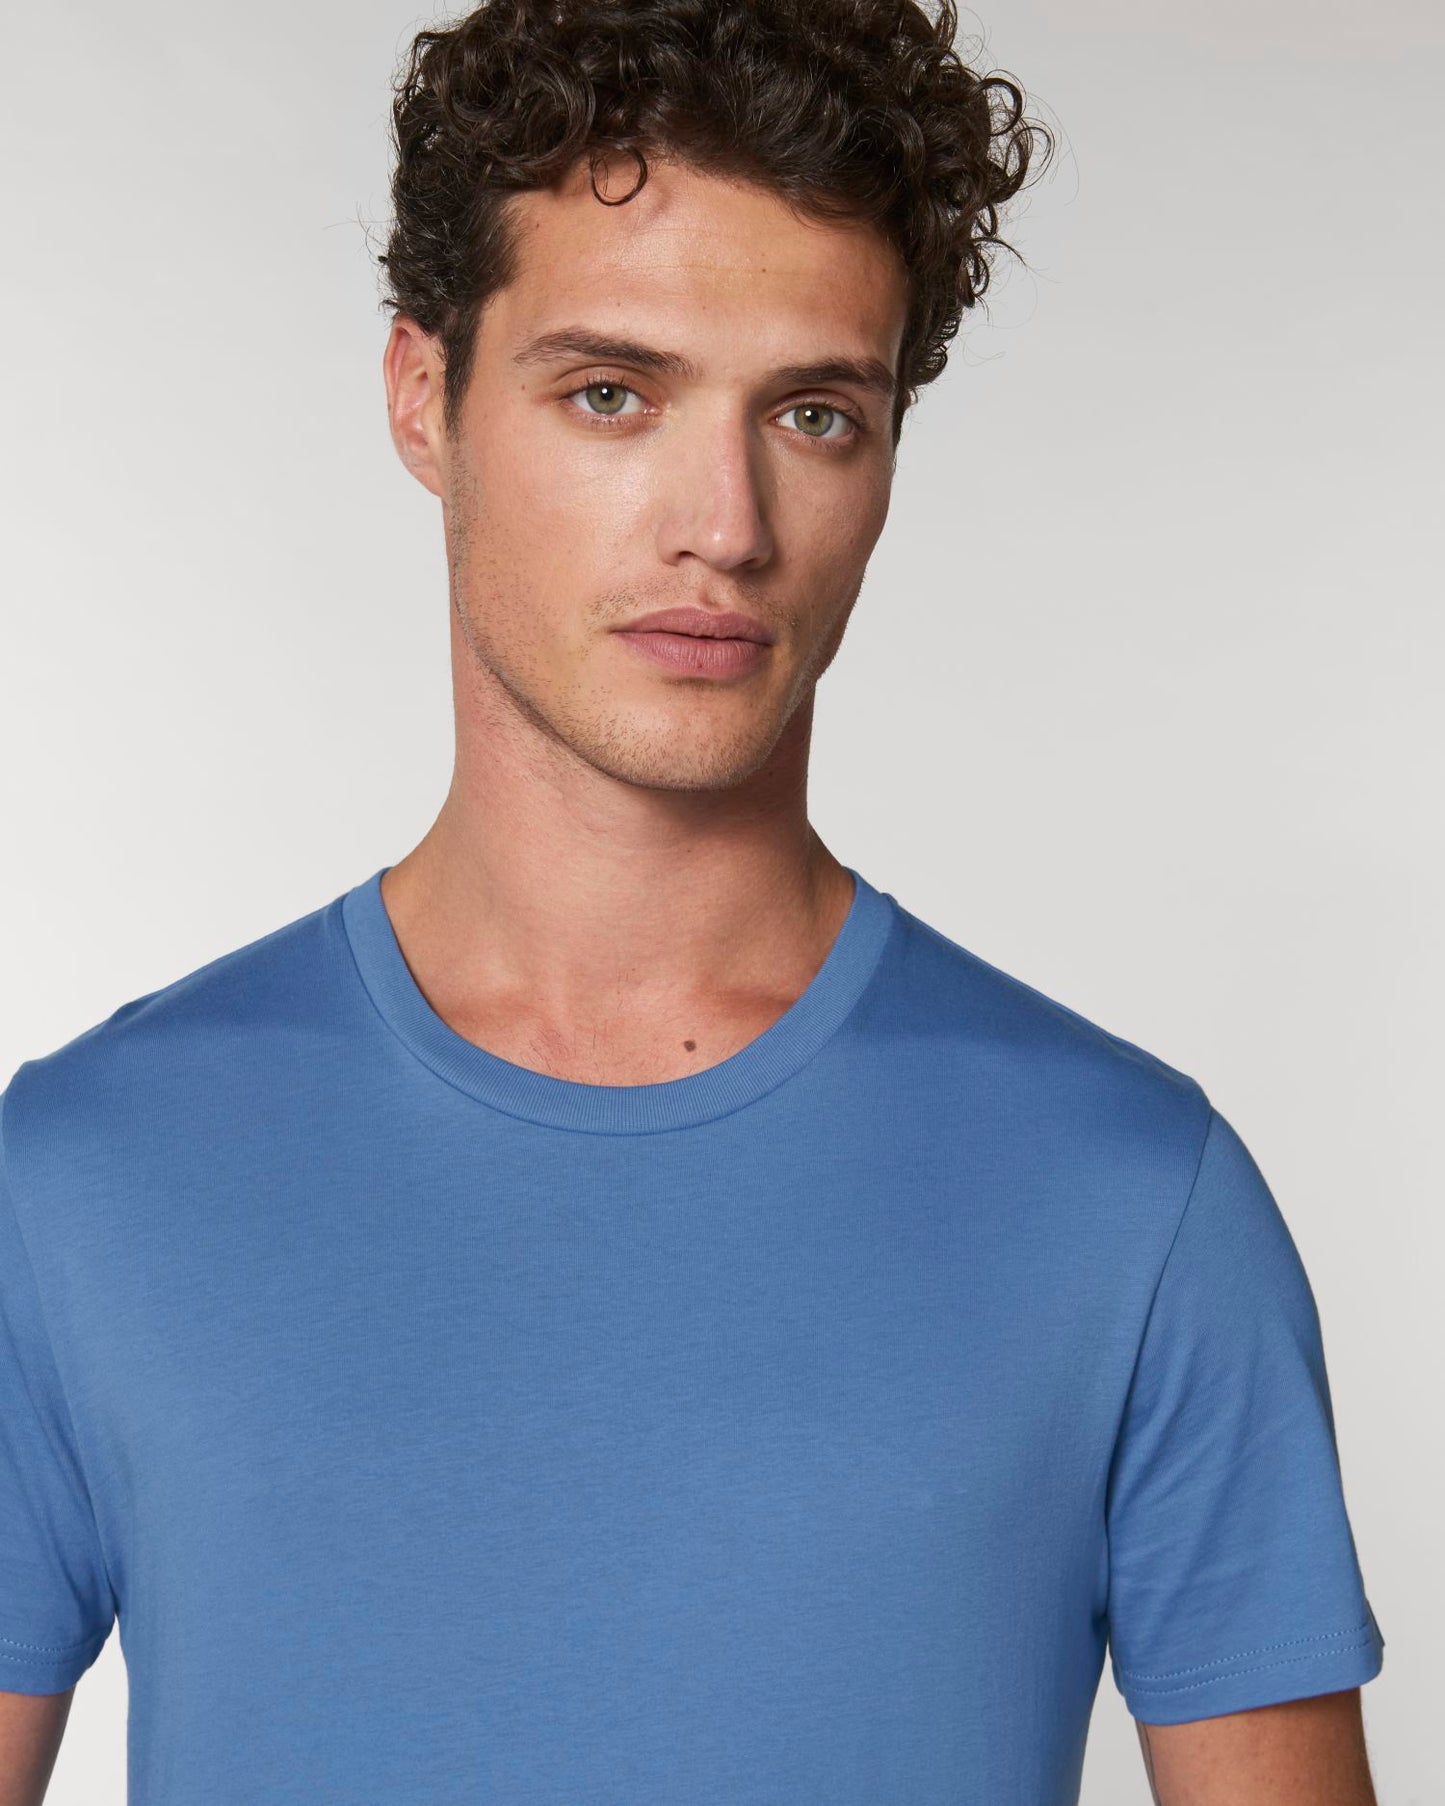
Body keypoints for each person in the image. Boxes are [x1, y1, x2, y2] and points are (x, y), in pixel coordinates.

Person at [0, 1, 1385, 1801]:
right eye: (611, 393)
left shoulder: (1134, 1201)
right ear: (423, 396)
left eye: (813, 414)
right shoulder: (84, 1181)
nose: (724, 524)